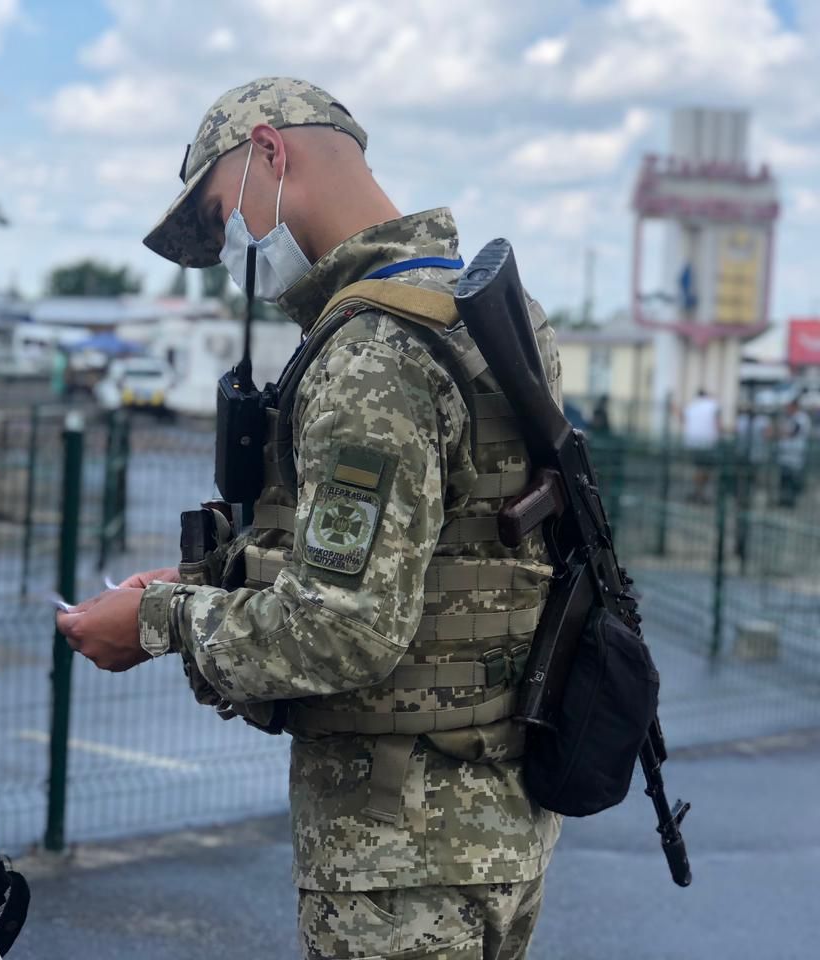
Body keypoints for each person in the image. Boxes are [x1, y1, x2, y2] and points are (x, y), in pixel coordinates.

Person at [56, 78, 562, 960]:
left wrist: (156, 620)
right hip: (498, 822)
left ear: (270, 152)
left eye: (223, 216)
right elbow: (440, 551)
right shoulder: (489, 310)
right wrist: (206, 580)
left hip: (398, 855)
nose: (232, 250)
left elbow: (342, 629)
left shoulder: (372, 355)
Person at [682, 389, 721, 503]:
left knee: (700, 468)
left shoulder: (692, 406)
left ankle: (699, 492)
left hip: (693, 442)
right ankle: (699, 493)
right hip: (708, 442)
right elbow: (717, 423)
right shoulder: (713, 405)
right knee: (704, 469)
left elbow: (683, 418)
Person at [776, 399, 811, 508]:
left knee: (792, 479)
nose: (787, 409)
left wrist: (781, 432)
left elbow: (794, 431)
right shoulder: (788, 417)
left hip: (794, 454)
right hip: (785, 454)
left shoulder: (801, 417)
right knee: (784, 479)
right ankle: (783, 501)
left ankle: (790, 502)